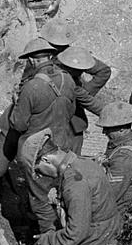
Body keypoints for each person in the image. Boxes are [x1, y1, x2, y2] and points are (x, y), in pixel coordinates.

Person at [0, 38, 103, 234]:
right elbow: (73, 109)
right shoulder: (68, 80)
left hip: (37, 150)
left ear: (31, 61)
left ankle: (47, 238)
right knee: (62, 191)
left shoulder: (31, 87)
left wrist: (15, 105)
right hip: (62, 146)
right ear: (51, 56)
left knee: (40, 197)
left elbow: (18, 124)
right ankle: (67, 227)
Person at [17, 128, 119, 245]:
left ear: (46, 160)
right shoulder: (83, 163)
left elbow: (74, 234)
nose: (40, 175)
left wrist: (46, 241)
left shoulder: (74, 183)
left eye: (38, 169)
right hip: (101, 241)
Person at [42, 21, 112, 153]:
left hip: (73, 122)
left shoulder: (75, 56)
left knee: (72, 161)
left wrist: (80, 95)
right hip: (49, 122)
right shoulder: (39, 57)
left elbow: (103, 71)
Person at [97, 101, 132, 221]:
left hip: (115, 217)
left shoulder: (125, 158)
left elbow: (108, 196)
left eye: (108, 129)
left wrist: (96, 170)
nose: (104, 132)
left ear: (122, 129)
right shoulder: (119, 145)